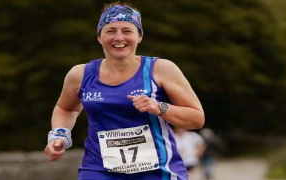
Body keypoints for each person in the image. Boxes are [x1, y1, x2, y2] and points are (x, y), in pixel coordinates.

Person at [43, 3, 206, 180]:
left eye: (127, 31)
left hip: (156, 171)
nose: (119, 37)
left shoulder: (161, 69)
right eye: (111, 30)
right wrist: (59, 135)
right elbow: (66, 108)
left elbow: (196, 119)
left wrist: (159, 107)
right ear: (99, 37)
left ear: (139, 36)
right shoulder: (80, 74)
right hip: (99, 170)